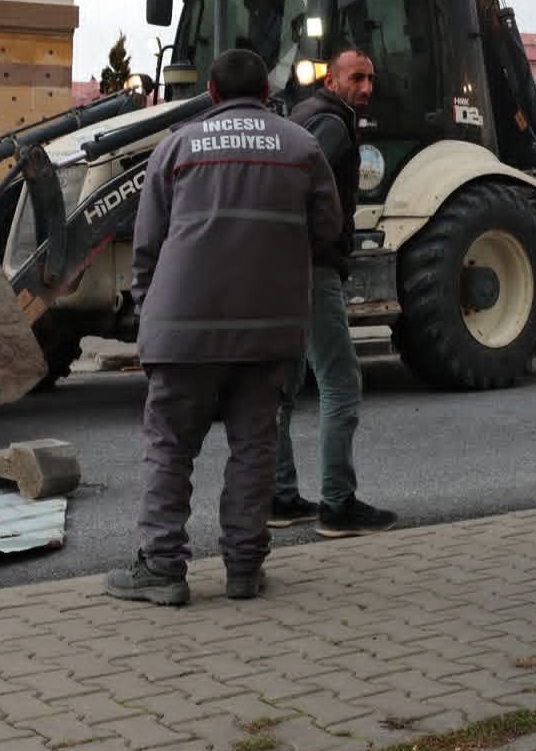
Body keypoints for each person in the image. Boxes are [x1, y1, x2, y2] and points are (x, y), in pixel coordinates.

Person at [105, 48, 344, 606]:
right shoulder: (302, 148)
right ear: (266, 93)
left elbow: (147, 245)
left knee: (170, 448)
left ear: (211, 93)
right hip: (269, 330)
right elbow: (328, 230)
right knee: (255, 448)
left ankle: (163, 569)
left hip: (182, 330)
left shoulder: (176, 147)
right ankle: (243, 568)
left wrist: (149, 312)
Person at [271, 49, 399, 537]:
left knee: (283, 385)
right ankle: (337, 504)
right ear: (332, 80)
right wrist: (322, 239)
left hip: (282, 267)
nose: (366, 88)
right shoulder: (334, 125)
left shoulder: (302, 114)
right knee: (340, 381)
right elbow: (302, 182)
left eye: (371, 79)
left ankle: (278, 497)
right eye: (356, 78)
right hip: (313, 267)